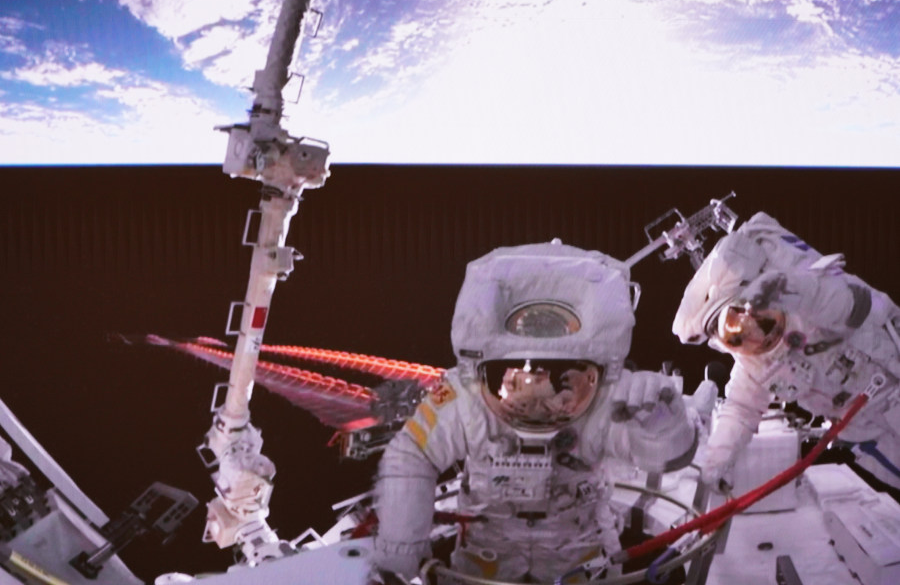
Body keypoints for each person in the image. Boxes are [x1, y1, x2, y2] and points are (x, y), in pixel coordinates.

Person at [372, 240, 704, 583]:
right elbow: (412, 454)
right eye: (515, 380)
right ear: (480, 371)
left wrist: (663, 424)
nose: (539, 406)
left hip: (578, 555)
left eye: (559, 382)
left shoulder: (609, 397)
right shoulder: (464, 396)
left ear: (597, 374)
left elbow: (668, 458)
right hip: (487, 555)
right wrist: (401, 546)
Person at [672, 212, 900, 493]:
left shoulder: (807, 300)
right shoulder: (753, 365)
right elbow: (739, 412)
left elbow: (852, 306)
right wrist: (712, 468)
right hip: (868, 433)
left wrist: (789, 291)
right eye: (738, 337)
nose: (758, 335)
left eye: (759, 319)